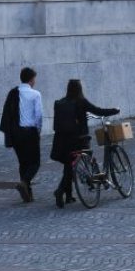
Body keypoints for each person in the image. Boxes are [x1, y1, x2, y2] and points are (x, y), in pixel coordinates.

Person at [50, 77, 118, 206]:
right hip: (78, 140)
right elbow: (98, 111)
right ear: (80, 88)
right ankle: (62, 191)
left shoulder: (60, 103)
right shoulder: (81, 101)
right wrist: (115, 110)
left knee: (69, 167)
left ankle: (68, 195)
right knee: (82, 162)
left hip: (61, 141)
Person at [1, 68, 44, 203]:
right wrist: (38, 130)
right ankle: (24, 182)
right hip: (30, 131)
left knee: (23, 163)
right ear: (31, 79)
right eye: (34, 79)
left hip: (16, 132)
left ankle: (28, 194)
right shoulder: (35, 94)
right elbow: (39, 115)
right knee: (35, 162)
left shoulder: (13, 93)